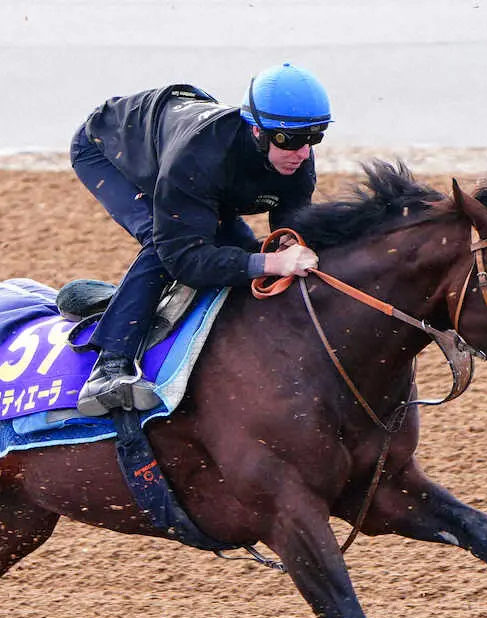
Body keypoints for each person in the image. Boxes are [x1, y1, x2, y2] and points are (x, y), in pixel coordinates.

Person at [70, 62, 331, 416]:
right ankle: (109, 367)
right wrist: (271, 262)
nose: (302, 153)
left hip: (187, 153)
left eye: (313, 138)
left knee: (240, 253)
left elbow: (290, 233)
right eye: (291, 140)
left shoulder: (297, 159)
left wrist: (289, 248)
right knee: (161, 246)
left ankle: (123, 303)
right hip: (107, 149)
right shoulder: (198, 157)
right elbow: (184, 258)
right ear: (256, 130)